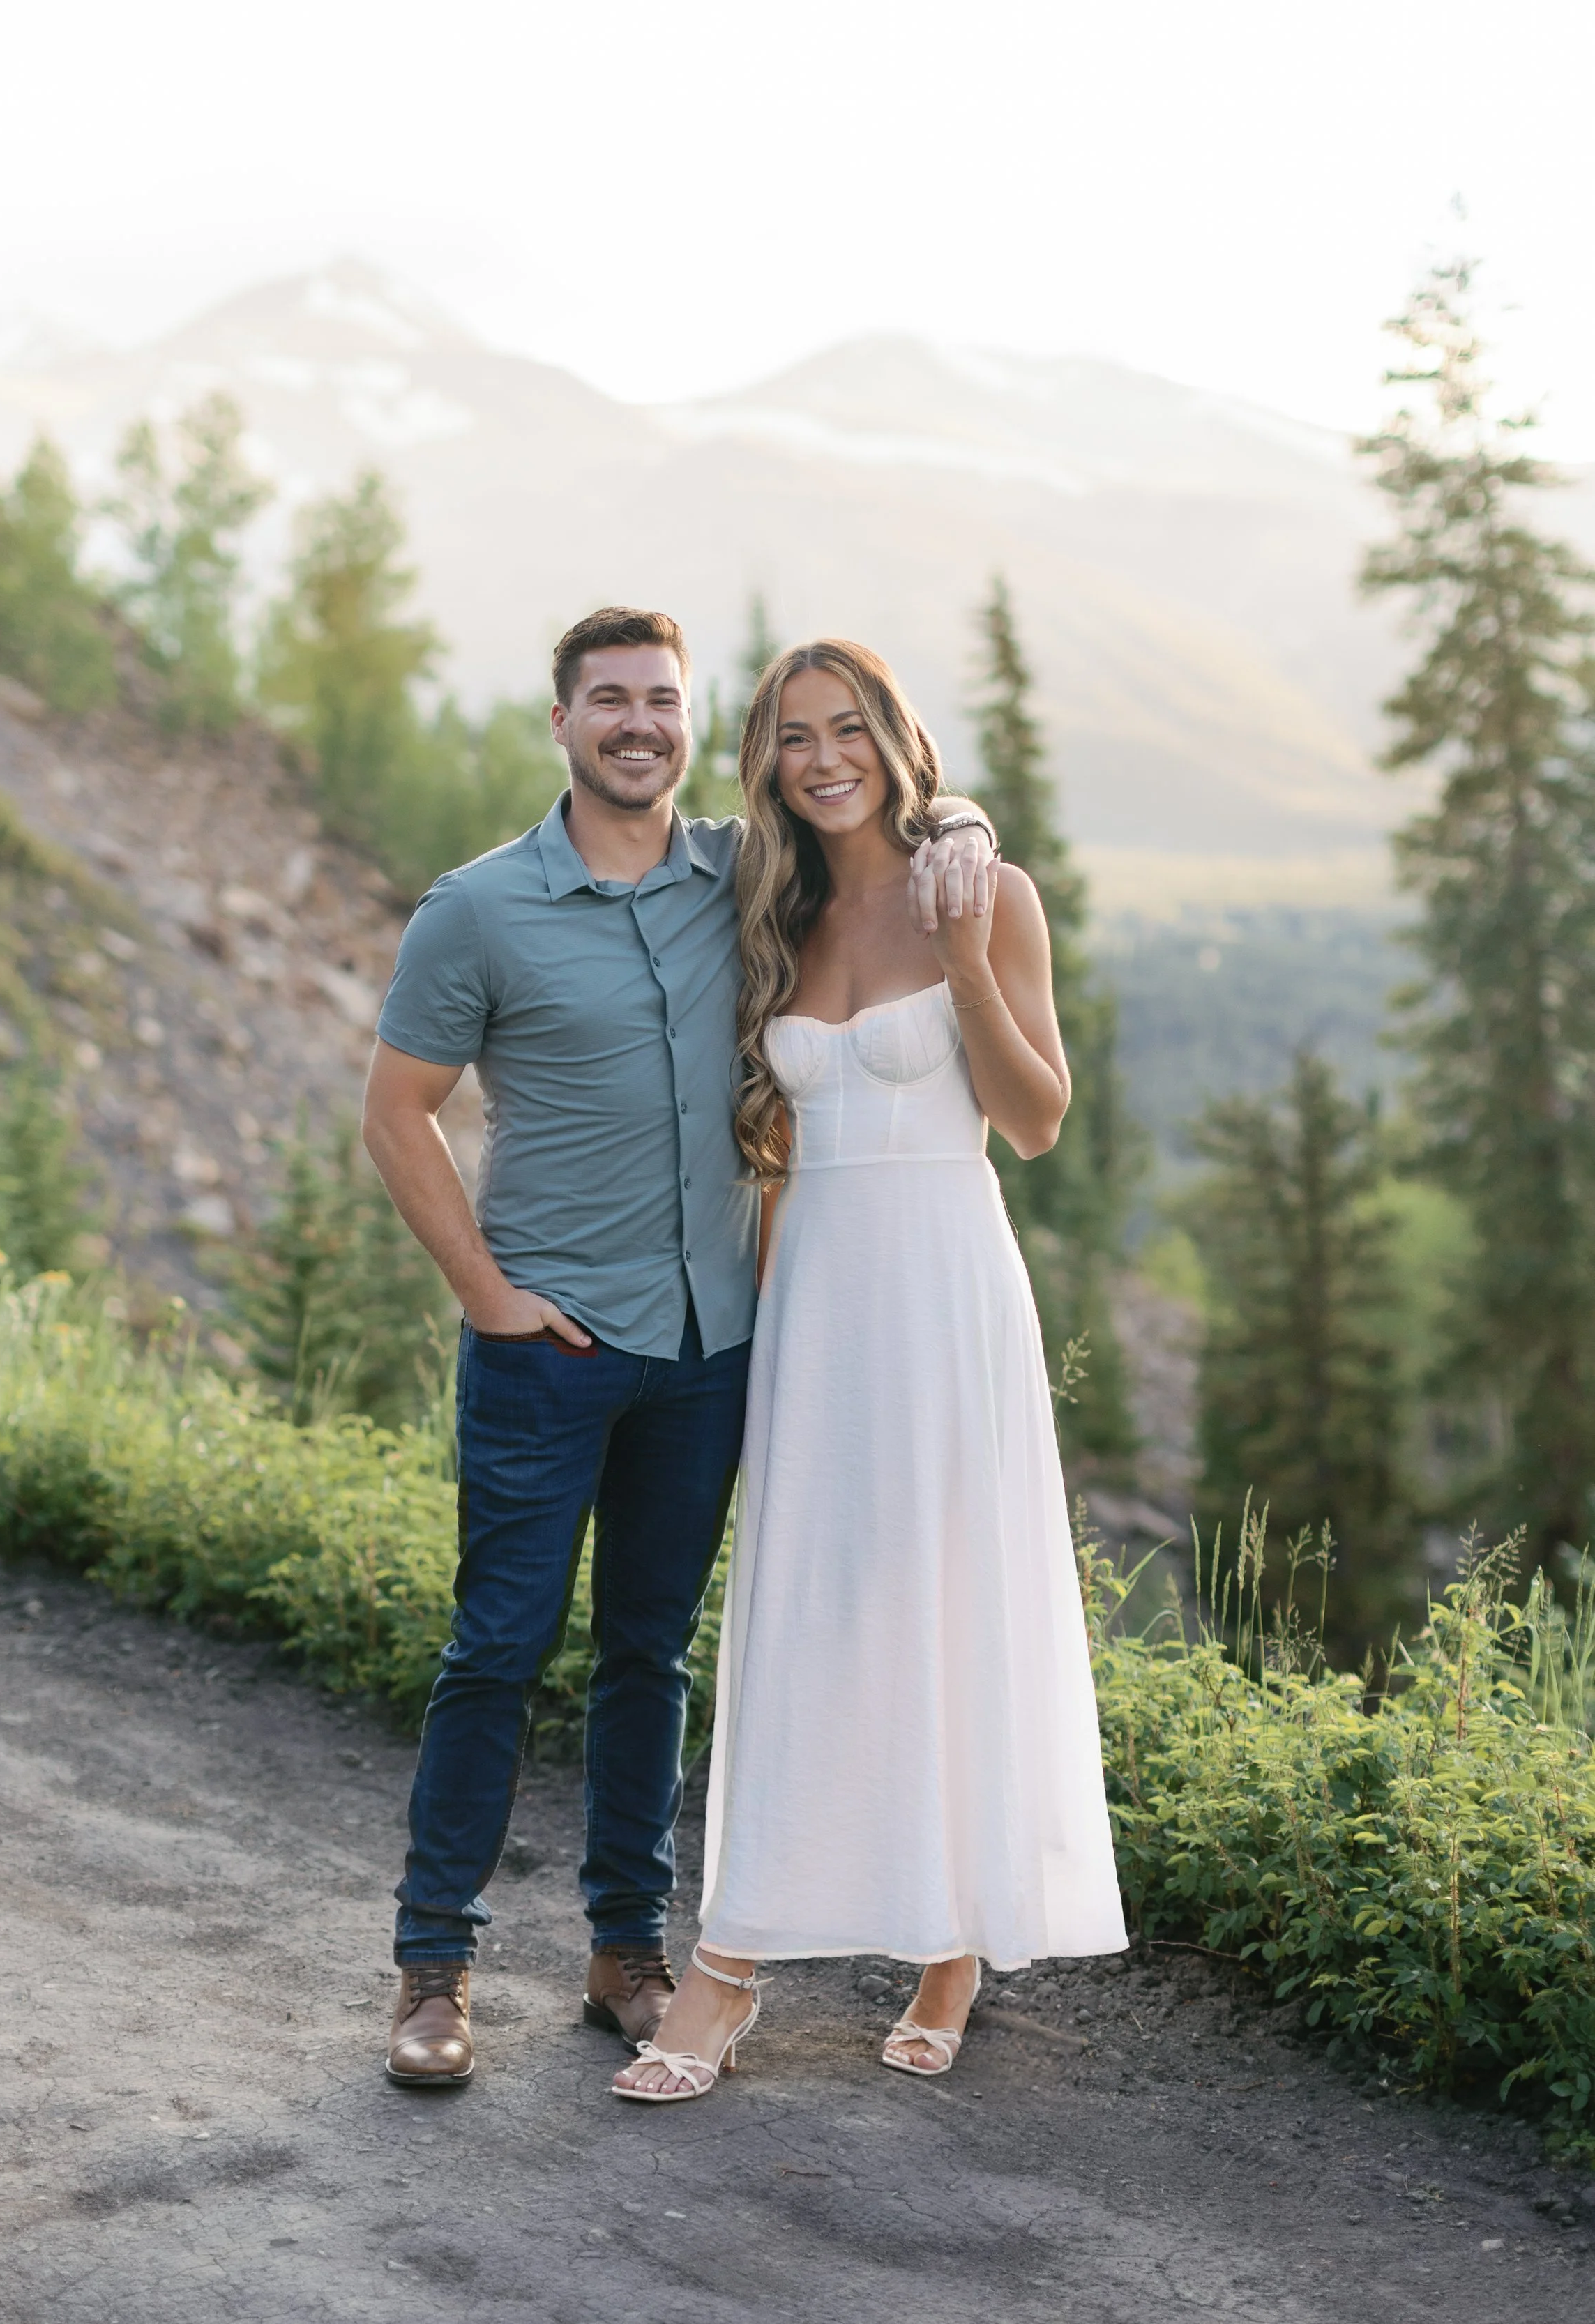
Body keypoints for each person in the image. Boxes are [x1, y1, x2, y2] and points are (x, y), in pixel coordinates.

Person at [361, 607, 995, 2086]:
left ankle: (623, 1952)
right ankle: (433, 1968)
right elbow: (396, 1113)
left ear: (688, 725)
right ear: (563, 722)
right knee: (495, 1650)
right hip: (548, 1344)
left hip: (712, 1346)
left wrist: (957, 816)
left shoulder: (740, 879)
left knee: (648, 1655)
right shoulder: (477, 907)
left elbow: (872, 837)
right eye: (608, 701)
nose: (636, 723)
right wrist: (483, 1293)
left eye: (660, 700)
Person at [612, 638, 1127, 2104]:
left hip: (947, 1283)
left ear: (897, 738)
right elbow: (770, 1158)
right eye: (791, 735)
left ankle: (949, 1945)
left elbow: (1032, 1119)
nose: (821, 755)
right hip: (816, 1303)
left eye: (845, 728)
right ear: (766, 759)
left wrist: (962, 949)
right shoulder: (769, 906)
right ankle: (732, 1962)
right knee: (805, 1614)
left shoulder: (986, 889)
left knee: (947, 1602)